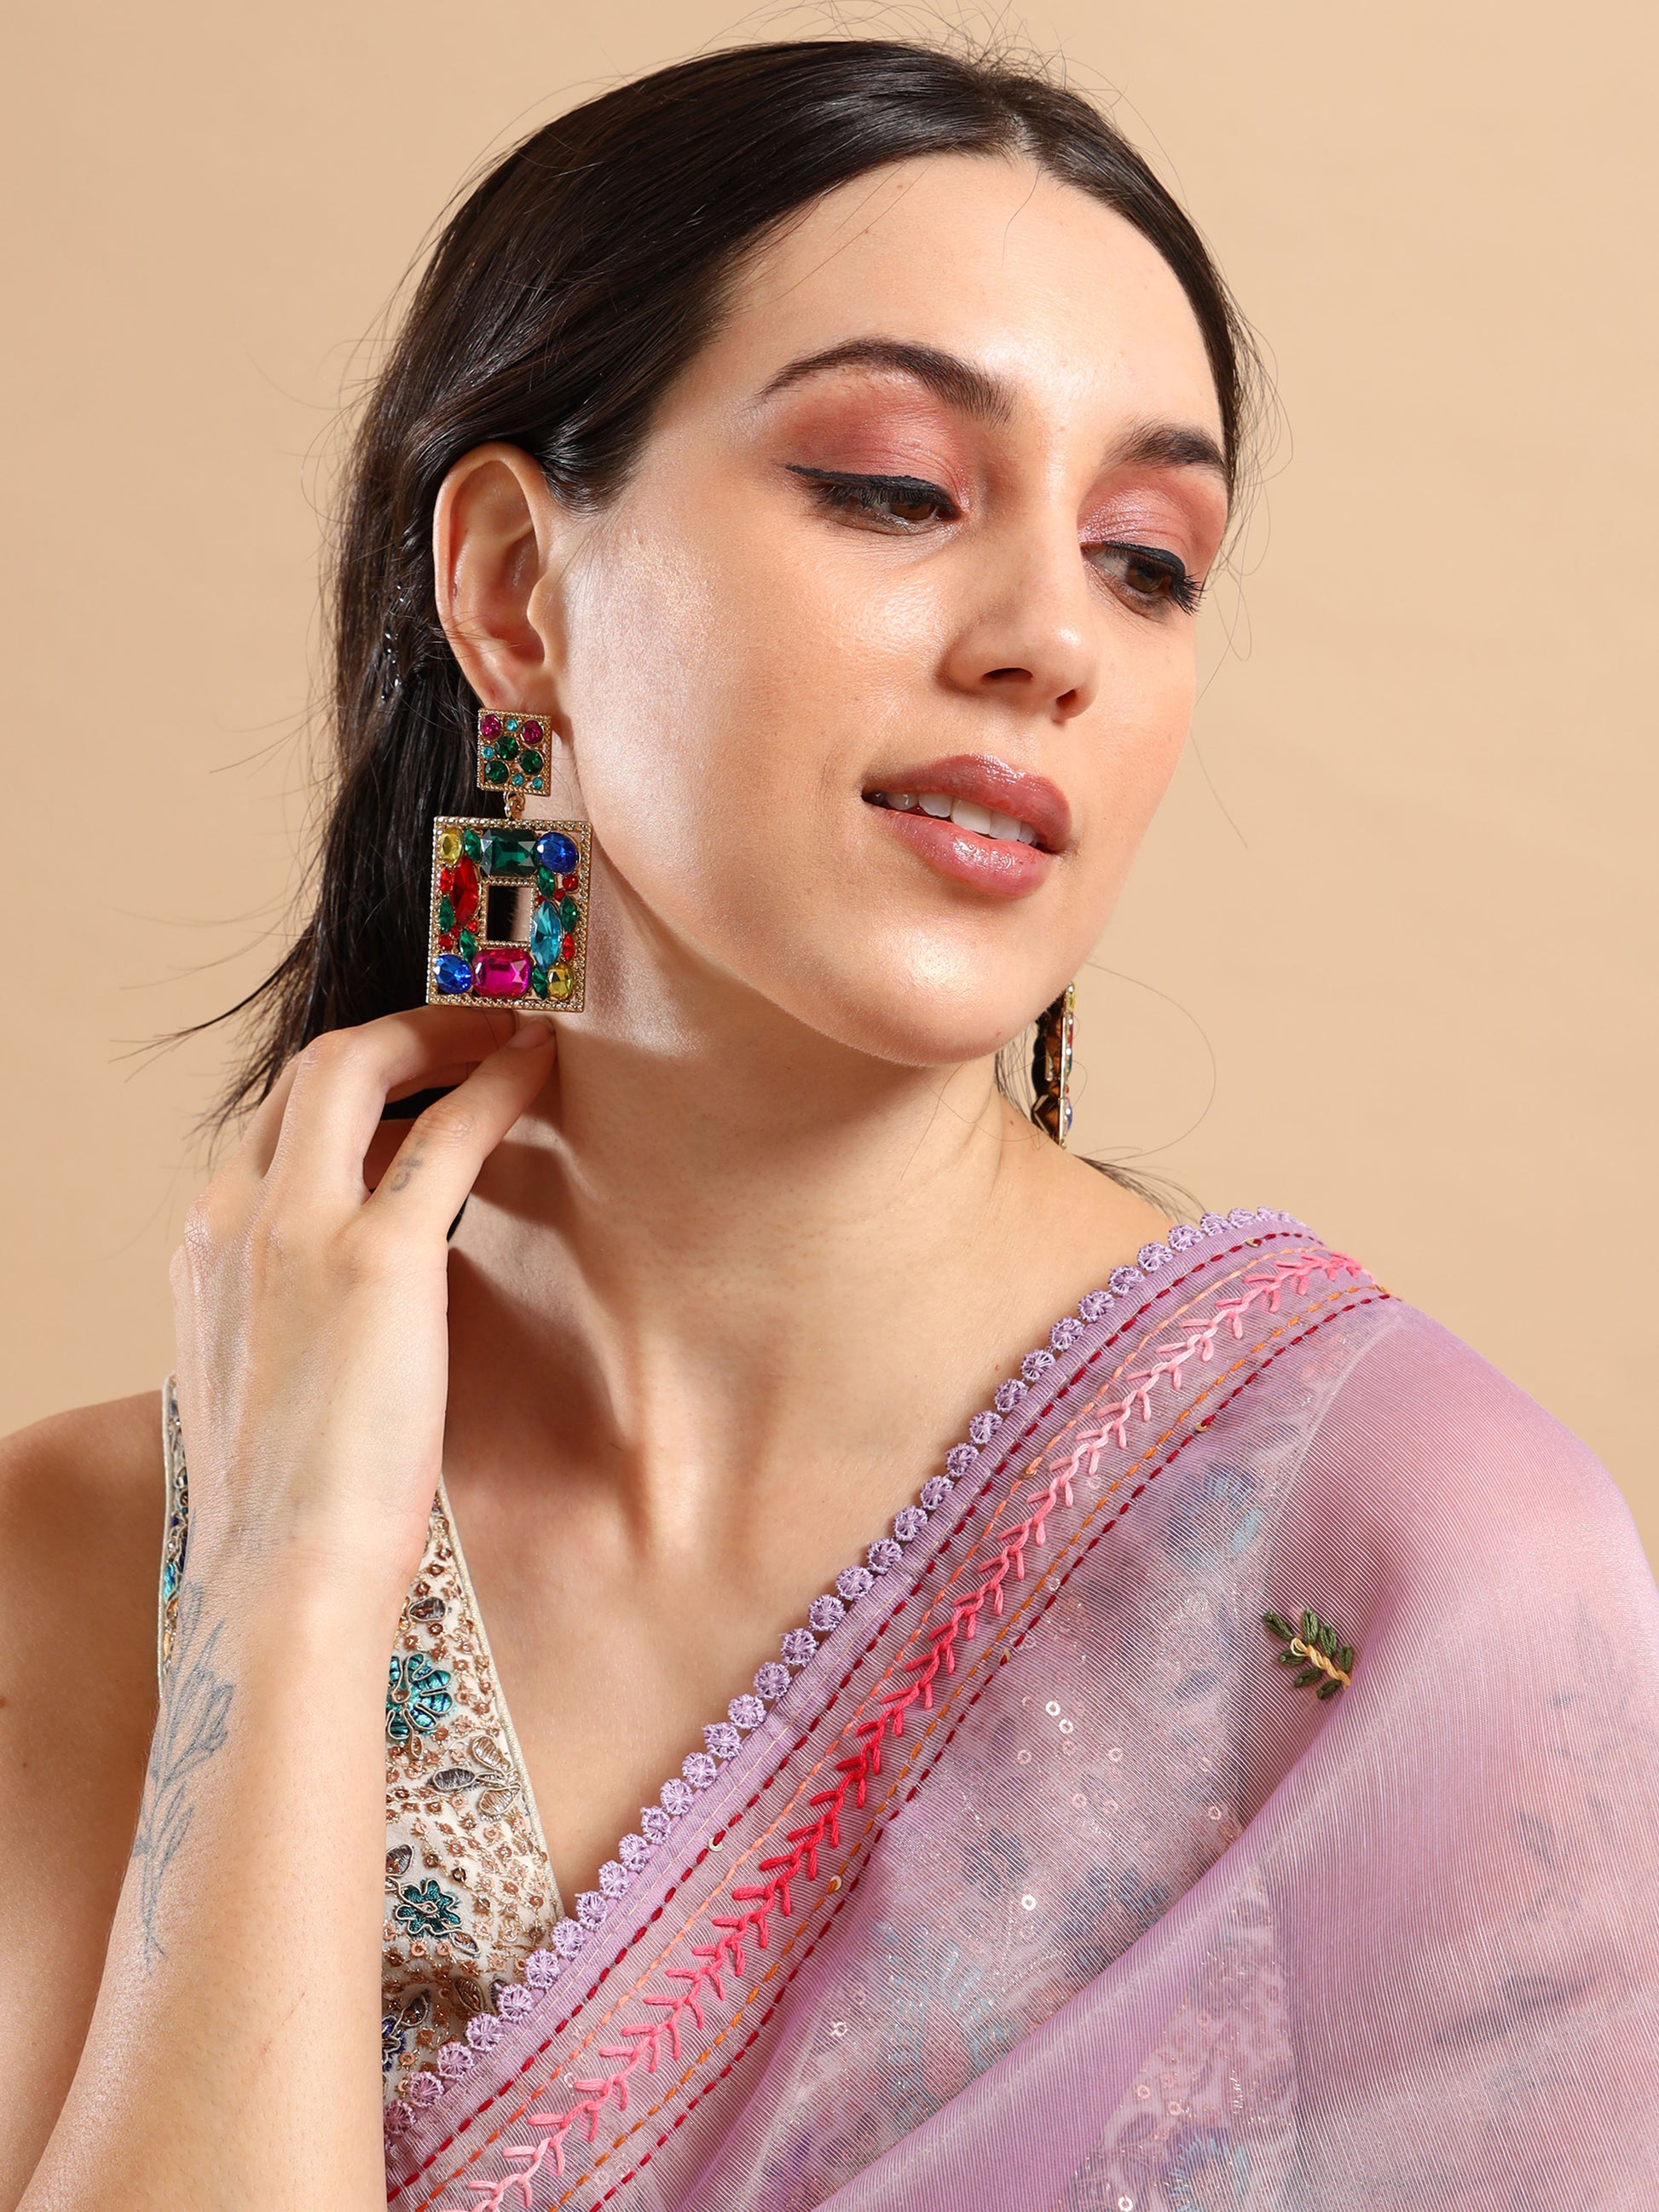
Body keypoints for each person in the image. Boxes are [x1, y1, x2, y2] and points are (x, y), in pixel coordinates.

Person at [3, 38, 1655, 2212]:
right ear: (510, 586)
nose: (1051, 636)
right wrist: (289, 1594)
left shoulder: (1406, 1570)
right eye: (894, 486)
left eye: (1149, 557)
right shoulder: (81, 1563)